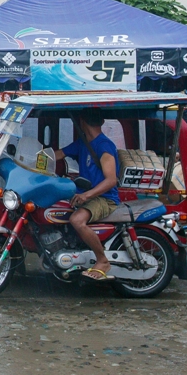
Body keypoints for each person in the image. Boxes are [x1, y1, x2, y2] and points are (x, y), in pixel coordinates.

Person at [53, 109, 121, 281]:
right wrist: (30, 161)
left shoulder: (104, 146)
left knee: (76, 220)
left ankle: (102, 260)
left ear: (82, 121)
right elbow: (58, 155)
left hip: (104, 198)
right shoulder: (83, 143)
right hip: (86, 195)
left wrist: (87, 195)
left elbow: (111, 180)